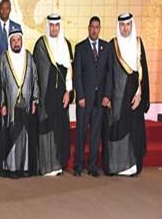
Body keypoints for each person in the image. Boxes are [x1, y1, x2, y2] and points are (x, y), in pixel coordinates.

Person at [106, 13, 150, 176]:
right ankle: (117, 166)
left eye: (128, 25)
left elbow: (143, 72)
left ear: (132, 26)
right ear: (119, 27)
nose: (125, 28)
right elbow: (108, 73)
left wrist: (140, 95)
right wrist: (108, 96)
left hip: (134, 98)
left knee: (133, 129)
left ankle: (132, 166)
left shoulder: (138, 43)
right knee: (118, 128)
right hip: (117, 98)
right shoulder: (113, 45)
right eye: (122, 25)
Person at [34, 14, 73, 176]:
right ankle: (46, 166)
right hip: (46, 96)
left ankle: (58, 165)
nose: (54, 28)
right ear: (48, 26)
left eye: (57, 25)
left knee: (59, 129)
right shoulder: (41, 44)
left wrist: (68, 92)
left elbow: (69, 72)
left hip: (61, 96)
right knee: (46, 129)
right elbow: (37, 72)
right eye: (51, 25)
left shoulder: (66, 44)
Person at [0, 29, 38, 178]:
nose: (16, 43)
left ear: (22, 41)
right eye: (13, 40)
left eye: (18, 40)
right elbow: (1, 83)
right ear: (10, 42)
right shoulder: (4, 57)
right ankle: (11, 168)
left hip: (26, 103)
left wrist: (35, 100)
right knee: (12, 134)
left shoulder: (29, 57)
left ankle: (24, 167)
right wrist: (2, 103)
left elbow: (35, 78)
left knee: (25, 135)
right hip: (10, 104)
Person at [0, 0, 22, 173]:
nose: (5, 11)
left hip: (13, 75)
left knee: (11, 108)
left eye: (7, 8)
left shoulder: (17, 26)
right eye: (2, 8)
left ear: (10, 10)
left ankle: (11, 138)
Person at [73, 16, 110, 177]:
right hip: (84, 99)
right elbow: (77, 74)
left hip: (100, 98)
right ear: (88, 28)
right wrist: (80, 95)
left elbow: (109, 73)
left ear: (99, 29)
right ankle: (78, 165)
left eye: (97, 27)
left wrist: (107, 95)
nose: (94, 30)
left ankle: (93, 165)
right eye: (92, 27)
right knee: (81, 133)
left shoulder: (106, 47)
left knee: (95, 134)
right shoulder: (80, 47)